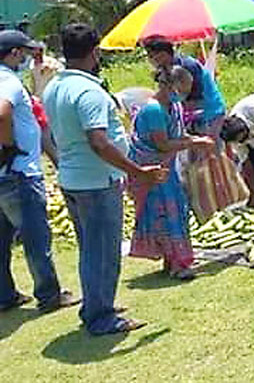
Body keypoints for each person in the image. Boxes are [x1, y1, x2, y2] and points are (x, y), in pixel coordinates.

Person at [44, 23, 167, 335]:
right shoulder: (88, 91)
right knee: (103, 251)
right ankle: (101, 316)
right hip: (96, 183)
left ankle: (96, 306)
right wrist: (138, 172)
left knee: (91, 249)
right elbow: (99, 142)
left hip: (74, 179)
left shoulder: (54, 87)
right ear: (95, 52)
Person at [0, 30, 79, 314]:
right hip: (18, 173)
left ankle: (5, 295)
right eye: (24, 52)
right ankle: (49, 294)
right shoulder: (7, 80)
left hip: (4, 174)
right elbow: (2, 112)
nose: (28, 57)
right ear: (14, 54)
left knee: (2, 239)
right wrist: (8, 146)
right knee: (35, 236)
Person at [128, 66, 214, 280]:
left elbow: (178, 134)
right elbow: (163, 144)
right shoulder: (153, 110)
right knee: (165, 214)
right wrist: (195, 143)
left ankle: (172, 260)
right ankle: (178, 265)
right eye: (183, 88)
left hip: (168, 170)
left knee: (177, 211)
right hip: (152, 171)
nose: (184, 94)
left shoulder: (173, 106)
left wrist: (194, 139)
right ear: (168, 85)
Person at [143, 36, 226, 137]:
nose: (151, 60)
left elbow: (195, 97)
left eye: (152, 56)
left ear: (163, 54)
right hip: (189, 114)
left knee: (210, 147)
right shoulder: (164, 68)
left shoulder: (187, 66)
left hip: (210, 111)